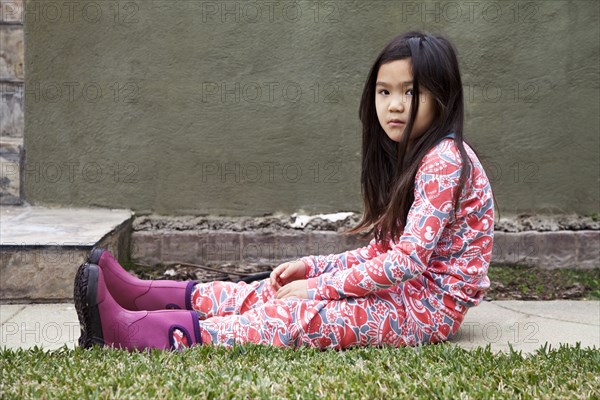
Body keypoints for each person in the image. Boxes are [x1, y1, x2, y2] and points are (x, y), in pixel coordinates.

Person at [74, 31, 495, 351]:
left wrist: (317, 288)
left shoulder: (445, 160)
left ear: (443, 97)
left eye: (411, 92)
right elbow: (381, 251)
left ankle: (134, 331)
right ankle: (141, 296)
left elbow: (406, 262)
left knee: (299, 312)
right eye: (385, 92)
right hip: (406, 292)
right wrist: (311, 268)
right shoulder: (416, 157)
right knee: (270, 291)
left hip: (428, 311)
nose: (395, 105)